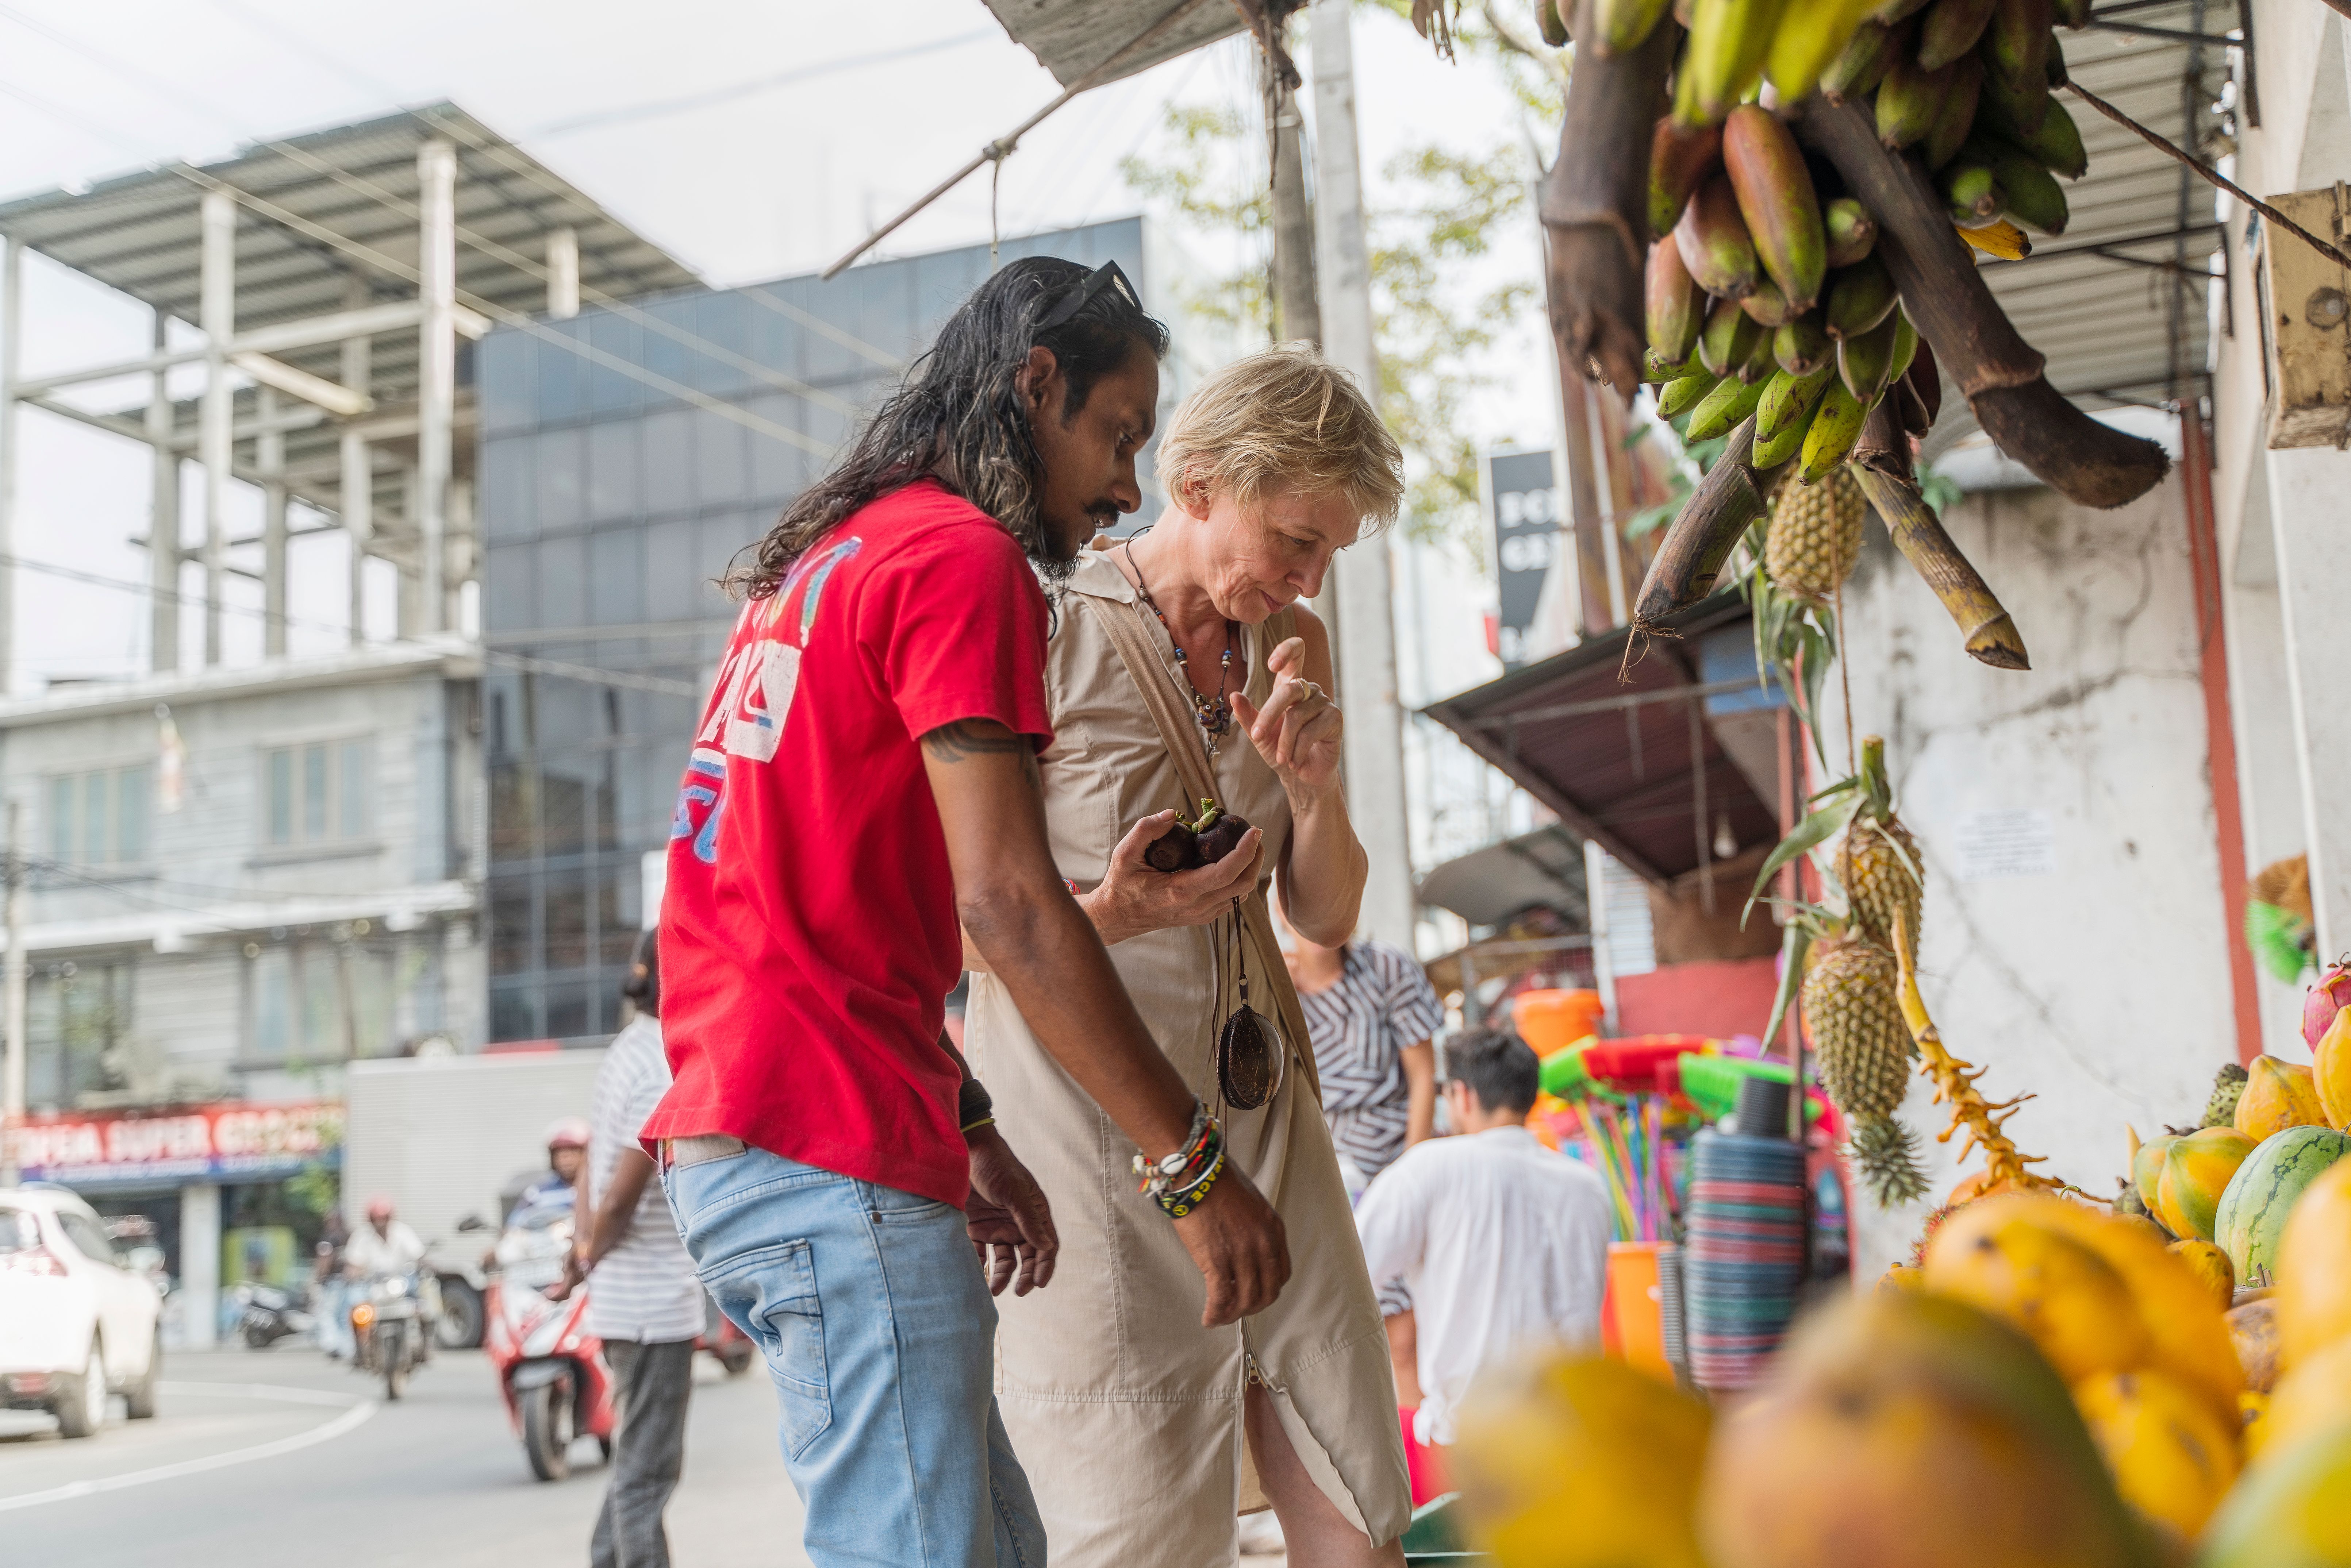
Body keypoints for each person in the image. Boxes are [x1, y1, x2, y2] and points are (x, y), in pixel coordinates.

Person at [648, 256, 1292, 1568]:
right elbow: (1004, 900)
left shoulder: (829, 561)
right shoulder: (958, 557)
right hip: (829, 1150)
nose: (1125, 485)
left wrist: (971, 1123)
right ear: (1033, 385)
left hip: (762, 1131)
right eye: (1116, 435)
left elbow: (831, 918)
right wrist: (1192, 1165)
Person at [963, 344, 1415, 1565]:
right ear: (1200, 482)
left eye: (1327, 553)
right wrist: (1108, 912)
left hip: (1267, 1111)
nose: (1307, 574)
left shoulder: (1295, 643)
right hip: (1092, 1130)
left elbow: (1323, 919)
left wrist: (1312, 795)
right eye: (1295, 536)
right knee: (1136, 1527)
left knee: (1362, 1510)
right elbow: (956, 922)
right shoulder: (1046, 631)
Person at [1354, 1029, 1614, 1451]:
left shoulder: (1432, 1167)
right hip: (1573, 1438)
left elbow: (1352, 1270)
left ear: (1462, 1095)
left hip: (1471, 1446)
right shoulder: (1587, 1186)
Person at [568, 932, 704, 1568]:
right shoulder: (659, 1064)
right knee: (649, 1473)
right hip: (653, 1303)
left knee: (633, 1464)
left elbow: (589, 1167)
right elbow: (622, 1188)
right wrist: (595, 1244)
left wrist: (585, 1247)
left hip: (625, 1297)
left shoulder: (627, 1048)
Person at [1283, 916, 1442, 1193]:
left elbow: (1423, 1076)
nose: (1315, 915)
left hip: (1402, 1158)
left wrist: (1411, 1176)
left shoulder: (1385, 965)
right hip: (1325, 1174)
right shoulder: (1273, 984)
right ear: (1281, 910)